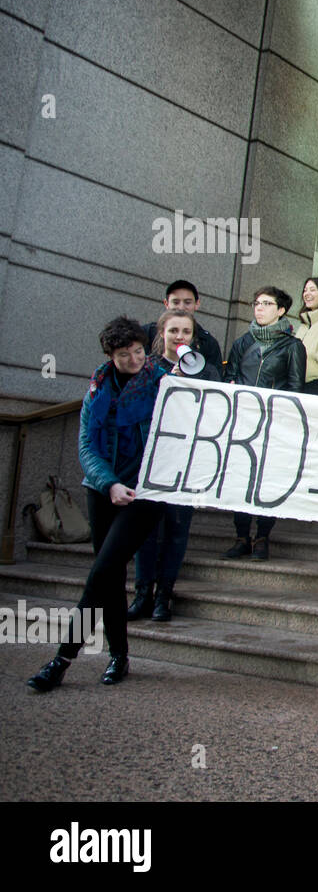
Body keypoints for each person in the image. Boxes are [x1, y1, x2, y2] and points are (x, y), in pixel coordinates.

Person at [27, 317, 171, 691]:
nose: (136, 359)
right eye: (126, 355)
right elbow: (87, 447)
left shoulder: (164, 383)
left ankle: (61, 659)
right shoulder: (97, 389)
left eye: (140, 350)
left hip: (144, 493)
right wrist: (109, 484)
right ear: (111, 356)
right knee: (109, 578)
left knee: (102, 571)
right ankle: (119, 656)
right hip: (103, 489)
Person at [129, 308, 222, 622]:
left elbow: (215, 413)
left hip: (188, 460)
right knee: (146, 530)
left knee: (177, 529)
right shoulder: (146, 368)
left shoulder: (206, 370)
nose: (179, 337)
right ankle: (143, 593)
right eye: (173, 331)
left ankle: (163, 596)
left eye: (185, 332)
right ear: (161, 334)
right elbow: (136, 408)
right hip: (152, 461)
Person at [222, 286, 306, 561]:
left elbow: (295, 387)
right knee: (240, 479)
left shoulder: (293, 346)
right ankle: (241, 536)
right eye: (257, 303)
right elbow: (229, 378)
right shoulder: (242, 343)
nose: (259, 308)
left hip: (274, 424)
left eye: (267, 303)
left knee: (266, 480)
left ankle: (262, 538)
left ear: (281, 310)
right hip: (243, 422)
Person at [142, 279, 224, 374]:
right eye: (176, 302)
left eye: (187, 302)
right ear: (166, 303)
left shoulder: (208, 342)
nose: (181, 307)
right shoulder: (147, 334)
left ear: (197, 304)